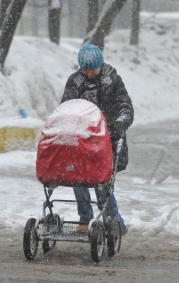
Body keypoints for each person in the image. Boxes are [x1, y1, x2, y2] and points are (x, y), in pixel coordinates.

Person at [61, 43, 134, 235]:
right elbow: (66, 108)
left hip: (107, 140)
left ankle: (114, 222)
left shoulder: (113, 81)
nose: (90, 73)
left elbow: (126, 107)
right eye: (86, 70)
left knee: (102, 183)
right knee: (79, 180)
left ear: (100, 65)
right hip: (82, 139)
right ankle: (85, 219)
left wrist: (119, 124)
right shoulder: (75, 82)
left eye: (94, 69)